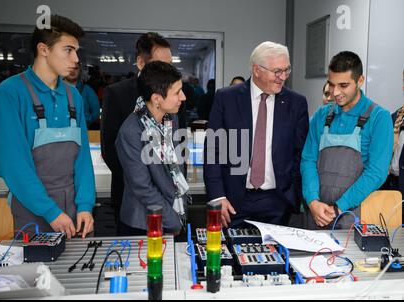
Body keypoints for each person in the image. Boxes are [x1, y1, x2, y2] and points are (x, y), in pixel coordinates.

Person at [0, 14, 95, 239]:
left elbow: (83, 159)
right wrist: (51, 212)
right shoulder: (10, 94)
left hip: (74, 213)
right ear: (44, 49)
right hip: (32, 213)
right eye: (68, 50)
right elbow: (14, 166)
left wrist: (85, 205)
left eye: (76, 51)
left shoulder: (72, 97)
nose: (76, 58)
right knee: (37, 272)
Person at [204, 41, 309, 228]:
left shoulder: (296, 103)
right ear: (256, 69)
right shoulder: (226, 98)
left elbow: (300, 154)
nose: (282, 77)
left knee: (276, 257)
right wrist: (217, 196)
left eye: (286, 70)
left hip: (278, 202)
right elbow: (213, 151)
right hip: (232, 202)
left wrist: (292, 197)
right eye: (277, 71)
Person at [301, 51, 393, 229]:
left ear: (360, 81)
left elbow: (376, 172)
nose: (336, 92)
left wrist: (339, 207)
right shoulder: (321, 116)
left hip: (354, 217)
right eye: (332, 84)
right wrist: (312, 200)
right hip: (317, 214)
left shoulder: (379, 118)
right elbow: (308, 160)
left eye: (343, 85)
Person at [101, 32, 173, 234]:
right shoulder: (118, 94)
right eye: (161, 64)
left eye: (170, 65)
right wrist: (143, 184)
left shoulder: (174, 95)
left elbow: (176, 146)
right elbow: (110, 151)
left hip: (168, 201)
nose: (167, 71)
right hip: (131, 200)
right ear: (141, 63)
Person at [115, 61, 187, 235]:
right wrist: (173, 222)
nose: (183, 97)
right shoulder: (131, 132)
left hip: (173, 216)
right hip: (144, 225)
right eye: (177, 92)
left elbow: (174, 170)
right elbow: (143, 187)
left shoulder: (170, 119)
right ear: (156, 99)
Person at [64, 62, 100, 128]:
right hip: (59, 132)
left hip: (82, 131)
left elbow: (96, 112)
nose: (73, 71)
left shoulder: (87, 90)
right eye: (70, 68)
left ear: (80, 70)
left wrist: (86, 121)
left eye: (76, 68)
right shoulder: (56, 89)